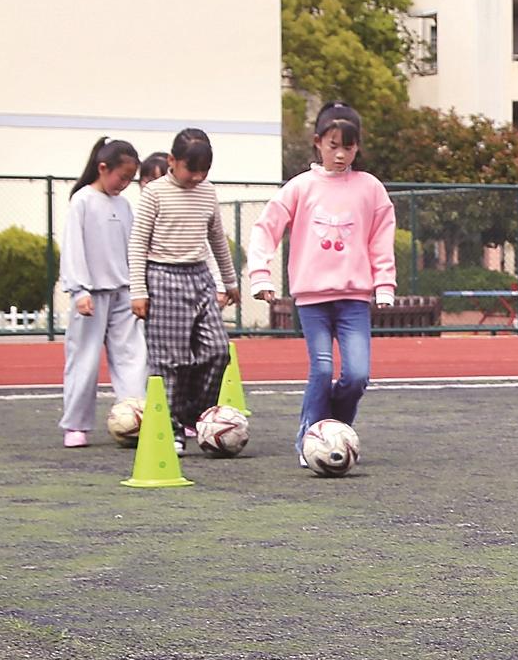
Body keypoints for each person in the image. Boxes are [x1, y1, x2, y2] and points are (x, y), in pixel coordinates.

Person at [246, 103, 395, 467]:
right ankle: (310, 438)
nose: (341, 154)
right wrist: (260, 274)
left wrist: (384, 283)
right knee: (323, 369)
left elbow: (381, 238)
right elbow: (265, 228)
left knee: (358, 374)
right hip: (311, 300)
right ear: (318, 143)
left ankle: (334, 431)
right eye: (333, 145)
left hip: (354, 298)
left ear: (358, 147)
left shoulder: (371, 189)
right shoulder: (300, 187)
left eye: (349, 146)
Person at [128, 128, 240, 451]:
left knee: (218, 350)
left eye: (204, 170)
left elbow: (217, 238)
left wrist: (230, 281)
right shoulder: (155, 193)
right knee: (170, 362)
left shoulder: (207, 192)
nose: (197, 176)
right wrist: (139, 290)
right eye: (191, 169)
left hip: (199, 276)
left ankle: (195, 414)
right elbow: (138, 243)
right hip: (163, 277)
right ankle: (172, 427)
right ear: (171, 161)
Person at [58, 137, 147, 447]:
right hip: (91, 297)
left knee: (134, 357)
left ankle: (136, 416)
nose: (124, 185)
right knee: (84, 360)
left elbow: (134, 249)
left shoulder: (123, 205)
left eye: (129, 179)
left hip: (123, 294)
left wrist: (139, 288)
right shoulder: (82, 201)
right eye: (122, 177)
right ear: (103, 168)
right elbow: (73, 248)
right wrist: (79, 289)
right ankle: (75, 425)